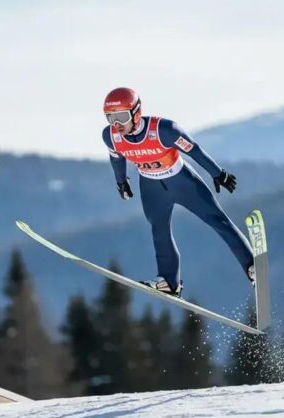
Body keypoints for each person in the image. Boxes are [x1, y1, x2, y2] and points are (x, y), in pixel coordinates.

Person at [101, 87, 255, 297]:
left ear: (136, 113)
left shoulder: (164, 130)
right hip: (152, 188)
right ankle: (169, 281)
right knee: (159, 230)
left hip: (182, 182)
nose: (116, 125)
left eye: (121, 117)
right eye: (111, 118)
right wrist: (121, 182)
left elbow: (195, 150)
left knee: (217, 220)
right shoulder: (111, 136)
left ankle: (251, 266)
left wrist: (218, 174)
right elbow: (116, 157)